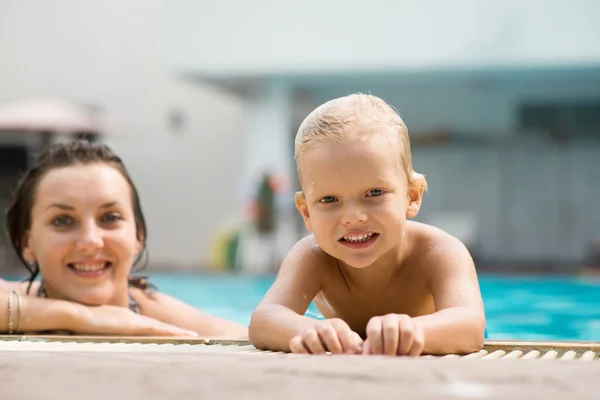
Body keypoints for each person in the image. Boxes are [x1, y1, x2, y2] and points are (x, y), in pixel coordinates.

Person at [249, 93, 486, 356]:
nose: (353, 217)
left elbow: (471, 327)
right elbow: (263, 319)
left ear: (412, 196)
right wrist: (304, 330)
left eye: (374, 193)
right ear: (306, 212)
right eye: (329, 199)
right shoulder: (312, 257)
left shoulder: (440, 253)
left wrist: (414, 330)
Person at [0, 140, 247, 338]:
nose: (90, 241)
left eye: (110, 217)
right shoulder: (16, 299)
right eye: (62, 221)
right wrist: (78, 316)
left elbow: (245, 338)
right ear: (27, 244)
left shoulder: (165, 319)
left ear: (137, 236)